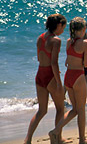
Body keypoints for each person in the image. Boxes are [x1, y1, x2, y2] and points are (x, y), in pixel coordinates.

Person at [49, 17, 87, 144]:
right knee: (81, 110)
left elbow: (68, 60)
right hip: (79, 77)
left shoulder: (69, 41)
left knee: (75, 109)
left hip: (68, 76)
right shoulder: (86, 43)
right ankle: (82, 139)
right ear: (84, 29)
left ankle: (55, 130)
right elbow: (86, 64)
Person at [24, 14, 67, 144]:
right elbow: (54, 63)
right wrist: (59, 83)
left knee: (41, 111)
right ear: (59, 25)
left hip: (39, 75)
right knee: (60, 108)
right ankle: (57, 138)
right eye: (63, 27)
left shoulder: (40, 38)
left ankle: (28, 139)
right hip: (50, 76)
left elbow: (39, 58)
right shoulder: (56, 40)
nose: (63, 30)